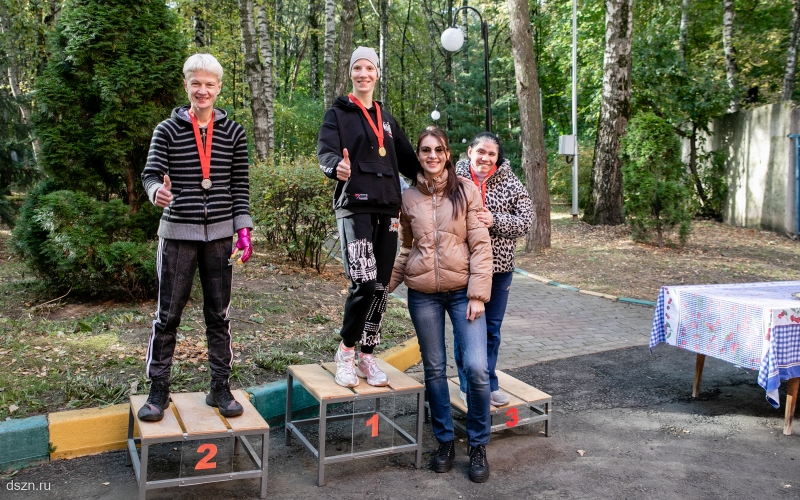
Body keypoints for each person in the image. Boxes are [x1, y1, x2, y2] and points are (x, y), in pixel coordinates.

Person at [138, 53, 253, 421]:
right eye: (196, 83)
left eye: (209, 84)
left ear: (219, 88)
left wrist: (243, 227)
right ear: (186, 85)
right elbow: (150, 174)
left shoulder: (234, 132)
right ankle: (158, 390)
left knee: (219, 315)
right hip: (178, 234)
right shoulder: (166, 130)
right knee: (168, 315)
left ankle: (220, 387)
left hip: (219, 236)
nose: (202, 90)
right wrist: (156, 192)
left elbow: (240, 185)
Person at [389, 127, 494, 483]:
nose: (432, 156)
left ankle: (478, 444)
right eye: (425, 150)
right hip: (423, 295)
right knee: (434, 369)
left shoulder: (466, 191)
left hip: (464, 292)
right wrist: (383, 288)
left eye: (438, 150)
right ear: (418, 155)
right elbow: (406, 249)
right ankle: (445, 441)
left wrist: (478, 294)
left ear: (448, 154)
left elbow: (480, 245)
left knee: (477, 368)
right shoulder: (407, 198)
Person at [317, 47, 418, 387]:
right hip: (355, 206)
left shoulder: (387, 119)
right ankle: (346, 351)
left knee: (380, 287)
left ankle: (367, 355)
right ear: (351, 73)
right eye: (357, 68)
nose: (363, 74)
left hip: (388, 208)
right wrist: (336, 166)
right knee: (363, 280)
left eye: (369, 68)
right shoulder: (337, 114)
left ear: (377, 73)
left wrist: (442, 174)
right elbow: (326, 152)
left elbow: (410, 161)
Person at [454, 132, 532, 407]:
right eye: (481, 152)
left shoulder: (510, 182)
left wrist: (494, 219)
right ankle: (468, 386)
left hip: (499, 269)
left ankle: (489, 383)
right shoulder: (454, 179)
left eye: (492, 154)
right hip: (463, 268)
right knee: (466, 329)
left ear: (498, 157)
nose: (485, 158)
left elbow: (526, 221)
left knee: (492, 330)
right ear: (470, 151)